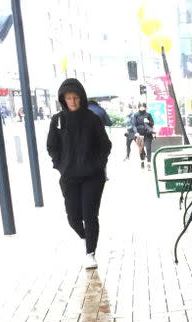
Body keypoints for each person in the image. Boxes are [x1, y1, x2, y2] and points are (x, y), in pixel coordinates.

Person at [46, 78, 112, 270]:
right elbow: (51, 146)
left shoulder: (92, 119)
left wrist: (98, 164)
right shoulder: (57, 121)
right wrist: (60, 165)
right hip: (69, 176)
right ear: (63, 100)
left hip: (93, 176)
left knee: (90, 215)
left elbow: (105, 145)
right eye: (69, 98)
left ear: (81, 98)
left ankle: (90, 252)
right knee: (73, 217)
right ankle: (85, 236)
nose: (73, 102)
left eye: (76, 98)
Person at [133, 103, 154, 170]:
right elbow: (134, 125)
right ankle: (142, 162)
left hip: (148, 134)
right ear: (138, 107)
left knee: (148, 149)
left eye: (143, 107)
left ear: (145, 107)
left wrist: (148, 121)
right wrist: (136, 132)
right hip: (139, 134)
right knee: (141, 149)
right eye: (140, 107)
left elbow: (152, 123)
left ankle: (149, 164)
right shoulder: (136, 115)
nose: (142, 108)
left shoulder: (148, 114)